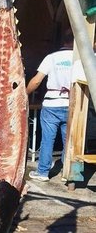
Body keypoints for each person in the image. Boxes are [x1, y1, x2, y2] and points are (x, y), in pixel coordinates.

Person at [26, 32, 74, 182]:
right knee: (69, 140)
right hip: (72, 104)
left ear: (63, 41)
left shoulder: (51, 58)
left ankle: (43, 173)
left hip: (51, 104)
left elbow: (36, 81)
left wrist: (24, 93)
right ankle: (68, 174)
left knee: (47, 139)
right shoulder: (81, 59)